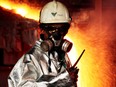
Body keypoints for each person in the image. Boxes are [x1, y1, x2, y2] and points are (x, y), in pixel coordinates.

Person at [8, 1, 79, 87]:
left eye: (62, 29)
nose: (57, 35)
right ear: (41, 29)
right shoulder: (31, 58)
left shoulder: (61, 56)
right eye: (51, 29)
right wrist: (63, 80)